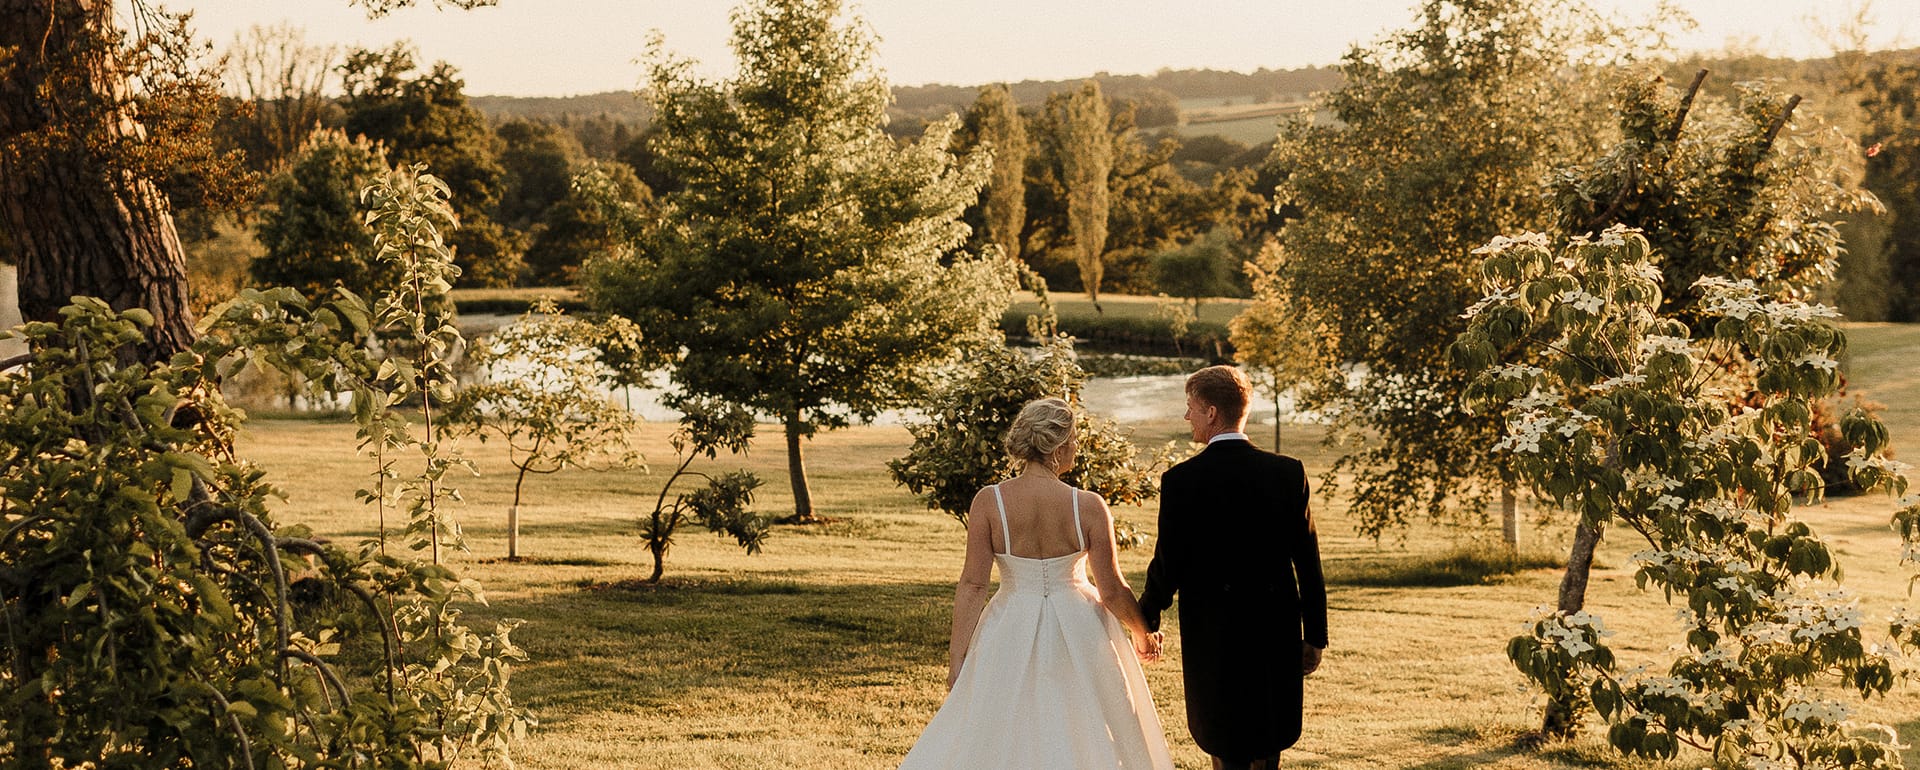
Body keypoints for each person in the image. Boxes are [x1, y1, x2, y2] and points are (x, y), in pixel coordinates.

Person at [901, 397, 1175, 769]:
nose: (1076, 447)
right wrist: (1143, 633)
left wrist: (957, 658)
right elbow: (1111, 589)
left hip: (1009, 622)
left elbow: (973, 586)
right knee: (1079, 721)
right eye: (1074, 439)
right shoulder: (1089, 506)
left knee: (1004, 722)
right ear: (1058, 446)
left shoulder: (989, 502)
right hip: (1079, 625)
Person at [1139, 365, 1328, 770]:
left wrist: (1148, 615)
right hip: (1274, 629)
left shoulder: (1181, 481)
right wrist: (1314, 636)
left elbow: (1168, 563)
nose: (1186, 416)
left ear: (1210, 412)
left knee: (1223, 742)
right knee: (1268, 737)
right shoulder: (1287, 473)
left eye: (1190, 407)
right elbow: (1308, 563)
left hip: (1213, 633)